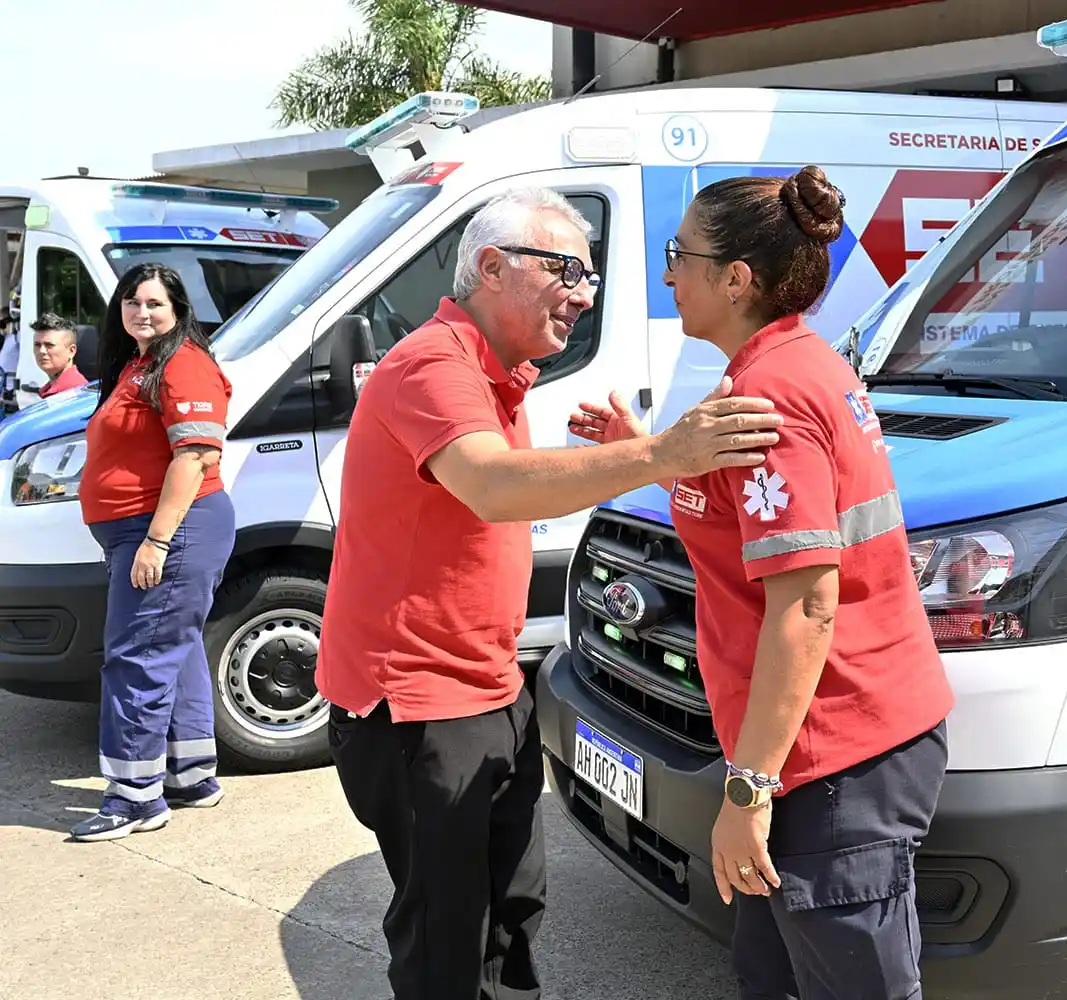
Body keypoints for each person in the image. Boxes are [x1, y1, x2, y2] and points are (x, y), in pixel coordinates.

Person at [314, 185, 784, 1000]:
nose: (585, 291)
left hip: (488, 690)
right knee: (446, 945)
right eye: (567, 267)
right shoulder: (433, 363)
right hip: (420, 711)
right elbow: (494, 486)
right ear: (491, 267)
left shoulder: (498, 374)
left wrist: (640, 453)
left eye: (589, 275)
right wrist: (665, 454)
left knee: (510, 921)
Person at [571, 166, 955, 1000]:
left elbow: (808, 605)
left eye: (681, 256)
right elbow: (728, 519)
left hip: (830, 759)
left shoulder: (770, 395)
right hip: (809, 751)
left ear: (736, 278)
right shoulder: (777, 369)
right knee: (770, 974)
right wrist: (644, 448)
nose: (670, 274)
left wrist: (748, 790)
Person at [71, 263, 235, 842]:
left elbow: (193, 458)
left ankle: (134, 798)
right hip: (139, 529)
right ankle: (190, 776)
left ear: (178, 310)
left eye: (155, 304)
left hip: (171, 530)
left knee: (136, 658)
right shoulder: (141, 363)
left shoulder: (185, 363)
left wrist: (156, 541)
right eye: (132, 302)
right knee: (174, 649)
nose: (142, 312)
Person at [32, 313, 88, 397]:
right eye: (37, 345)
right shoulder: (53, 391)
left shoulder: (74, 394)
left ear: (71, 351)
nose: (41, 351)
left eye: (49, 345)